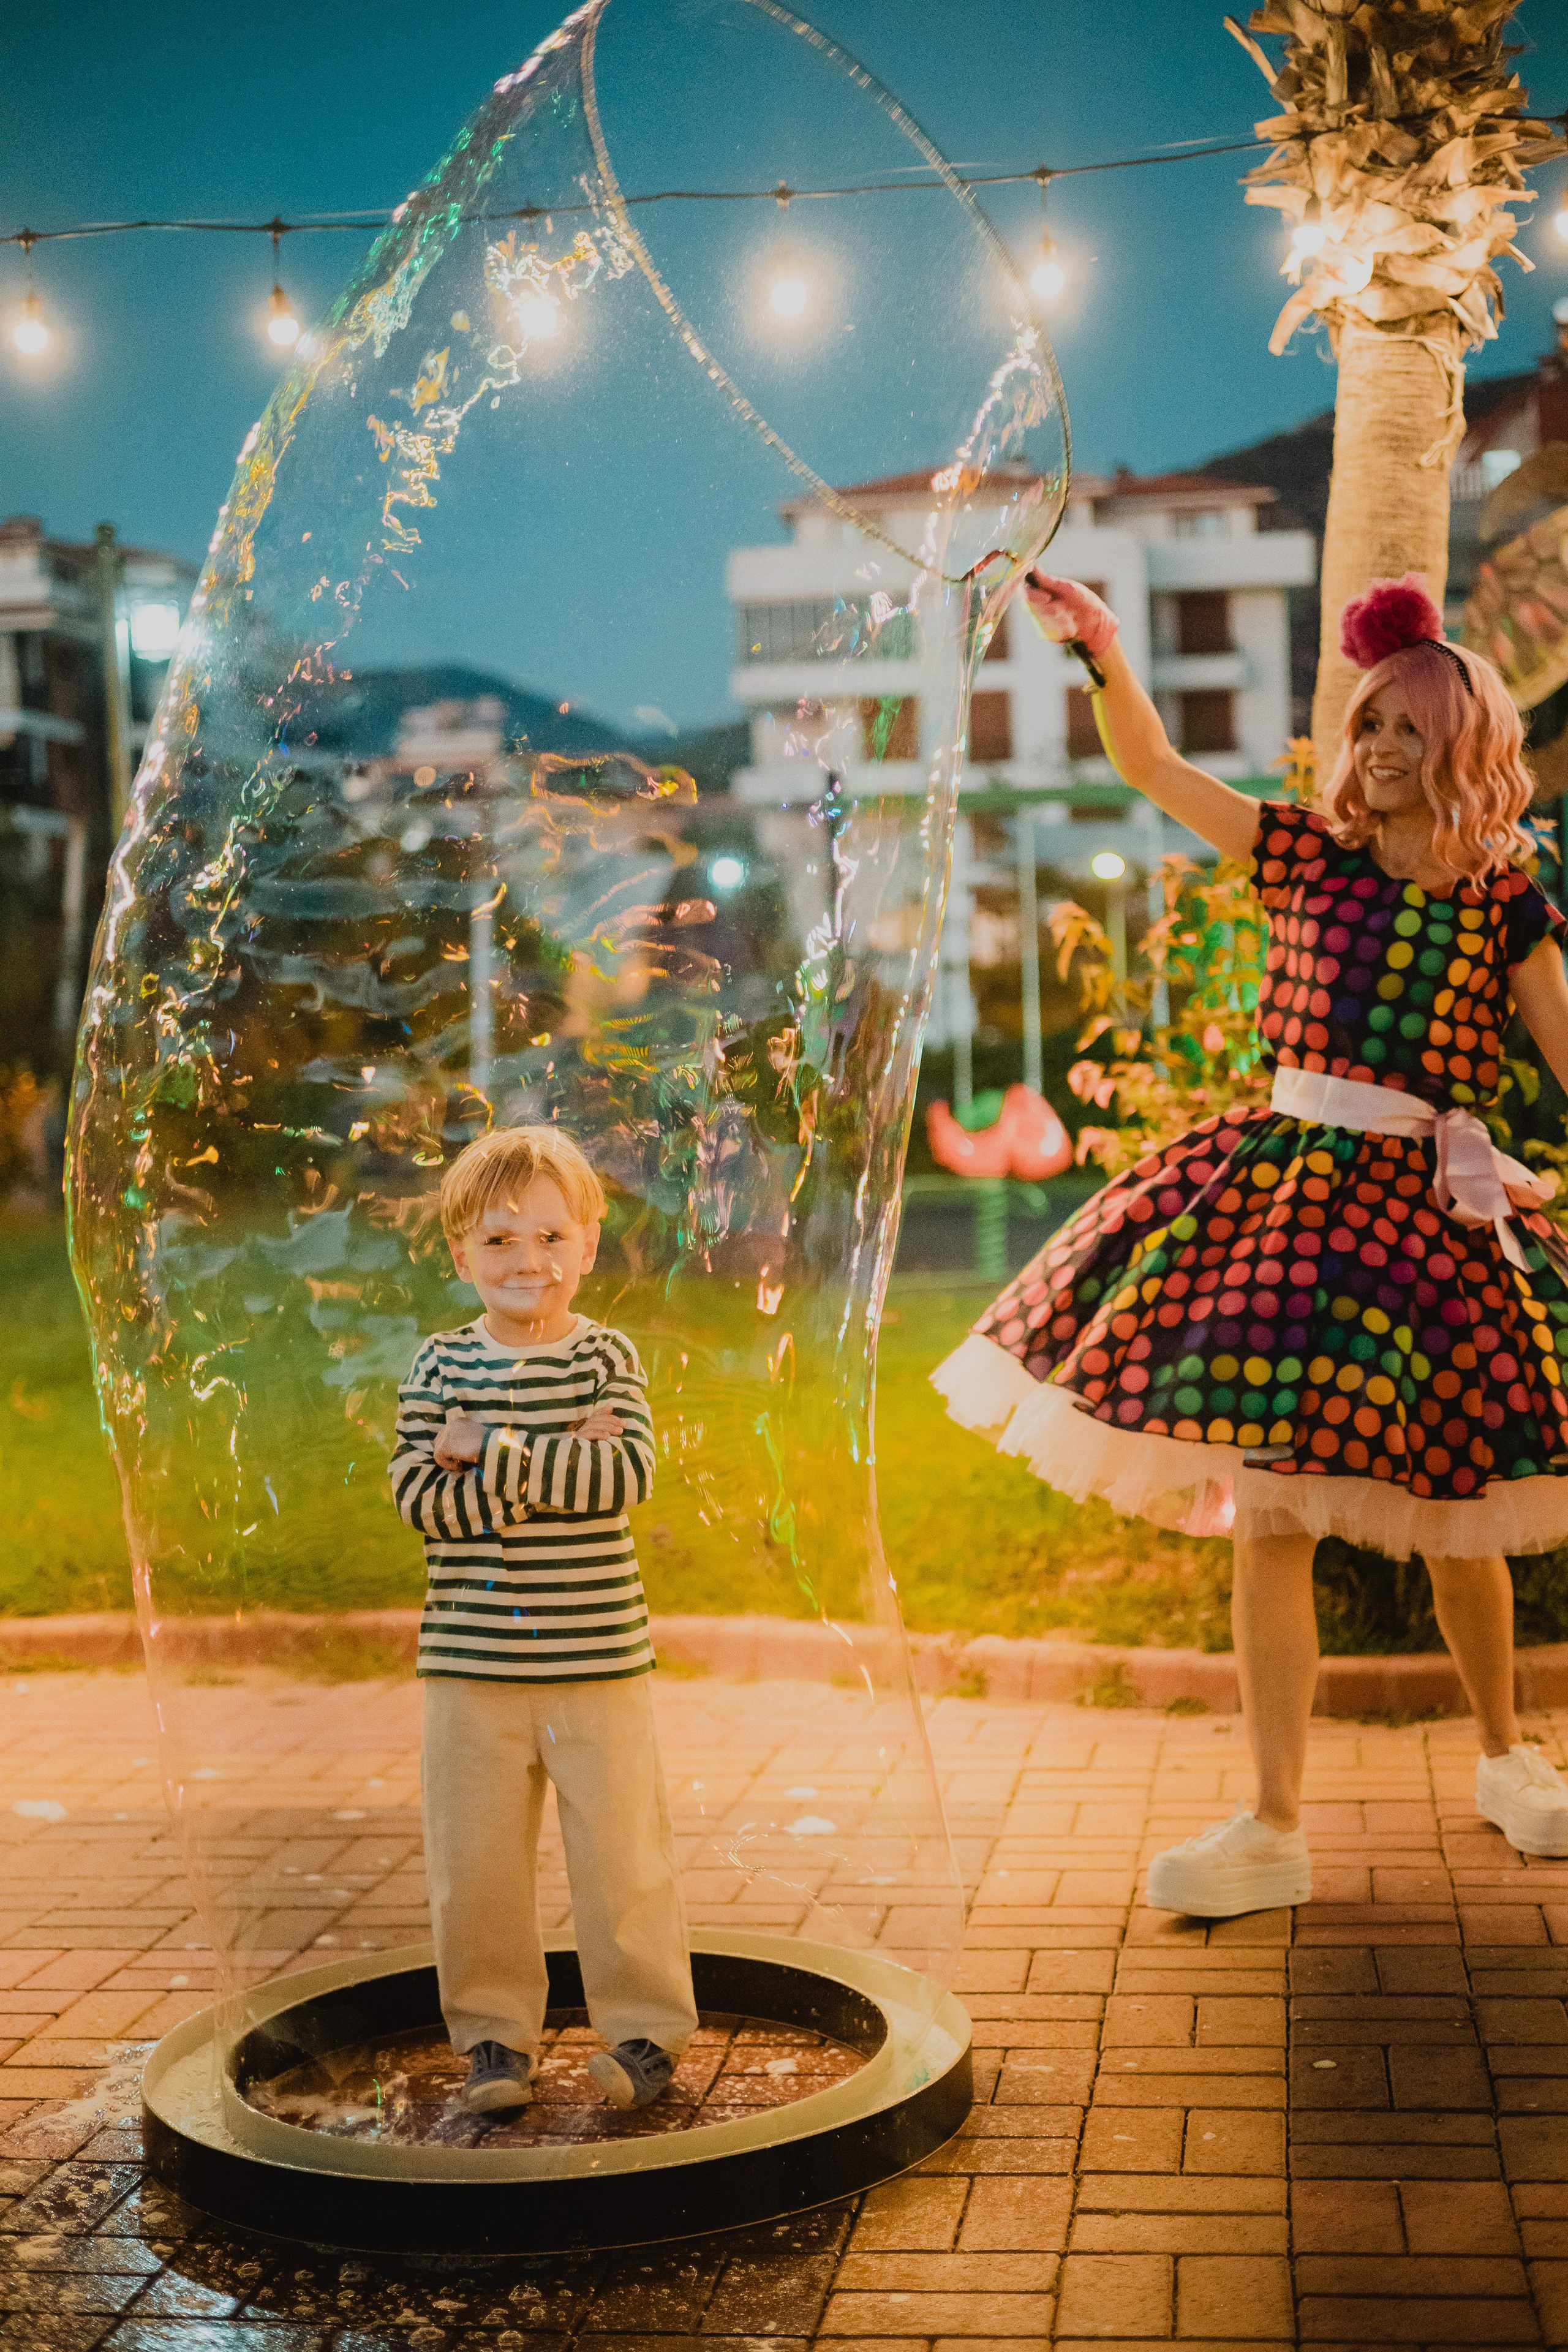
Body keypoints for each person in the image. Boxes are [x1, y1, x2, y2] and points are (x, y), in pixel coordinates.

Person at [935, 570, 1568, 1918]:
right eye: (1366, 727)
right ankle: (1272, 1822)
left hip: (1422, 1214)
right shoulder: (1300, 850)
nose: (1379, 752)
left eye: (1408, 731)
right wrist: (1101, 652)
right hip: (1283, 1205)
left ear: (1462, 750)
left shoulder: (1503, 894)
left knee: (1458, 1516)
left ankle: (1509, 1760)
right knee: (1268, 1513)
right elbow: (1152, 762)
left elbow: (1563, 1047)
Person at [390, 1123, 698, 2111]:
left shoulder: (607, 1357)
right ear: (460, 1254)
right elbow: (422, 1505)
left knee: (623, 1857)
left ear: (591, 1245)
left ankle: (645, 2034)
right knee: (475, 1865)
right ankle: (494, 2041)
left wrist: (489, 1450)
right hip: (469, 1670)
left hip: (599, 1660)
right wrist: (549, 1456)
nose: (529, 1260)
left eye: (552, 1238)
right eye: (499, 1240)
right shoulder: (438, 1367)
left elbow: (623, 1475)